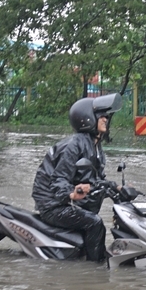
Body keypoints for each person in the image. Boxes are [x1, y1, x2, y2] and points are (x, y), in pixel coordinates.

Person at [31, 94, 121, 262]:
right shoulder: (74, 145)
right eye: (101, 116)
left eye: (106, 116)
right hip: (53, 205)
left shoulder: (95, 146)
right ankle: (97, 269)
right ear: (87, 118)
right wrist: (72, 193)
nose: (106, 119)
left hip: (66, 202)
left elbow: (96, 180)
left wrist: (117, 189)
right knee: (95, 223)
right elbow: (58, 181)